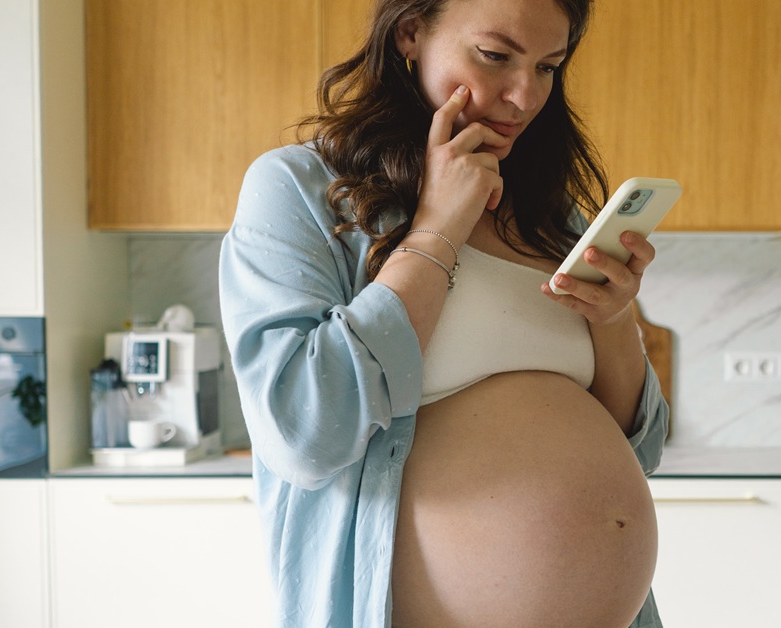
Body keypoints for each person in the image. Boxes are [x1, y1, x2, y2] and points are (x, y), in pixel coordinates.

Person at [218, 0, 669, 625]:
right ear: (411, 32)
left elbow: (639, 447)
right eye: (495, 56)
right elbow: (302, 434)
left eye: (548, 66)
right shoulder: (300, 190)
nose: (523, 95)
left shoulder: (550, 214)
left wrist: (614, 318)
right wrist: (436, 229)